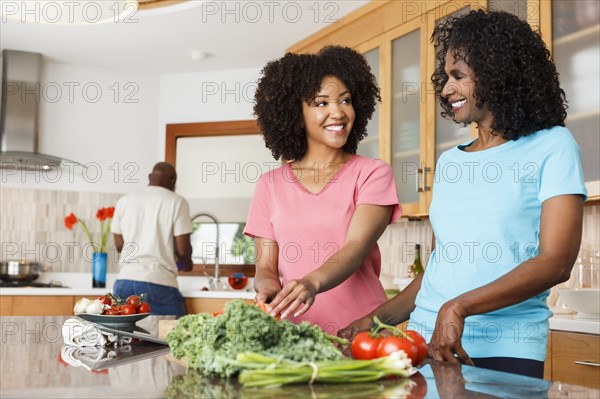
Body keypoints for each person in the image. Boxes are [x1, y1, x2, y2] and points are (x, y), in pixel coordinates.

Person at [339, 10, 587, 378]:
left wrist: (458, 307)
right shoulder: (450, 162)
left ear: (498, 73)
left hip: (505, 346)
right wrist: (372, 320)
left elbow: (556, 261)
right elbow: (442, 267)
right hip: (422, 343)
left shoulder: (553, 145)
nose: (445, 89)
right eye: (445, 77)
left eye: (458, 76)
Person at [244, 46, 402, 335]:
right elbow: (266, 268)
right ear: (295, 112)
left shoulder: (372, 174)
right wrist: (268, 290)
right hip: (297, 335)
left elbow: (355, 249)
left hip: (363, 330)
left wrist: (311, 283)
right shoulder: (269, 185)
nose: (338, 112)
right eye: (321, 103)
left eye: (345, 100)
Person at [111, 162, 193, 318]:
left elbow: (120, 245)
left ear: (150, 177)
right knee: (176, 335)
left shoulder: (124, 200)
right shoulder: (177, 201)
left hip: (124, 282)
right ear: (173, 181)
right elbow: (183, 251)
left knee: (126, 338)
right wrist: (186, 261)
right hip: (158, 282)